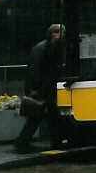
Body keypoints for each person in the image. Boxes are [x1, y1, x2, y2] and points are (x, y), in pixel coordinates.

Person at [14, 24, 65, 152]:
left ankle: (55, 142)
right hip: (40, 88)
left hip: (46, 87)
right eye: (61, 33)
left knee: (48, 115)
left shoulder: (50, 47)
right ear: (54, 33)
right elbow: (34, 70)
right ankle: (22, 142)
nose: (63, 36)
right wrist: (34, 89)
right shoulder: (42, 48)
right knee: (38, 116)